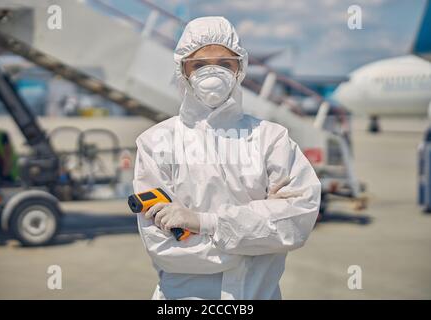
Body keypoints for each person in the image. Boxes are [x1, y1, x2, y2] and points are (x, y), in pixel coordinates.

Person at [133, 16, 321, 300]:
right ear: (182, 70)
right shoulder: (156, 143)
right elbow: (165, 250)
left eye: (223, 64)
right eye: (198, 65)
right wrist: (255, 245)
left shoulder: (272, 138)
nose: (211, 74)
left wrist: (204, 223)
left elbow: (297, 222)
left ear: (240, 69)